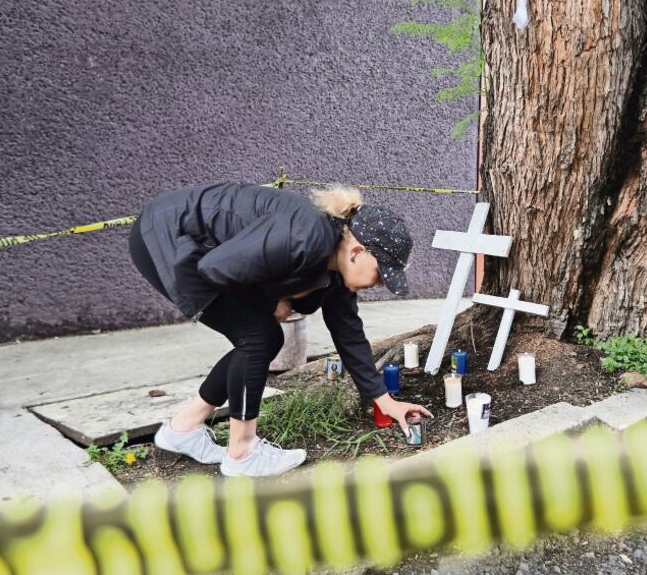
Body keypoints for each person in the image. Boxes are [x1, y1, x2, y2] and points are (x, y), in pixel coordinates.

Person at [128, 182, 431, 477]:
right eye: (380, 275)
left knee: (261, 336)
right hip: (167, 236)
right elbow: (215, 268)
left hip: (186, 243)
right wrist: (272, 301)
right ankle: (242, 453)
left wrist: (385, 400)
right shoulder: (304, 237)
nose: (379, 285)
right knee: (258, 336)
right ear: (358, 251)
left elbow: (348, 333)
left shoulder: (335, 268)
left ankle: (183, 429)